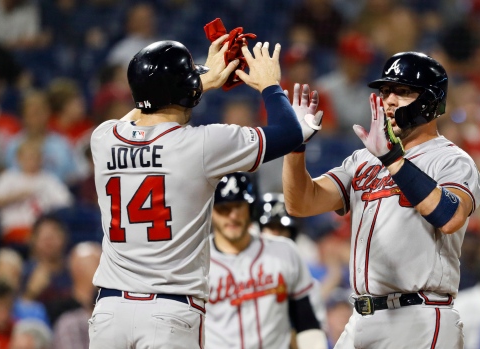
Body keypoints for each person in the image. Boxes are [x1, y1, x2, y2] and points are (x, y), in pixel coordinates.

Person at [89, 34, 323, 349]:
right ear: (184, 92)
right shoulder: (202, 144)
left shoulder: (103, 138)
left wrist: (198, 83)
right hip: (169, 312)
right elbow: (289, 133)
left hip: (109, 312)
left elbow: (138, 115)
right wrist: (270, 85)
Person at [283, 51, 480, 348]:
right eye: (385, 91)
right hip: (362, 317)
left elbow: (450, 217)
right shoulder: (364, 158)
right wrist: (295, 146)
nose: (388, 100)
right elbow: (301, 202)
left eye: (401, 92)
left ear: (429, 101)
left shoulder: (452, 160)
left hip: (419, 317)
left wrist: (392, 158)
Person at [205, 173, 327, 349]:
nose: (232, 216)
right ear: (211, 211)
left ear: (251, 207)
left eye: (239, 206)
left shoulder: (283, 251)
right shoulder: (196, 262)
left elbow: (306, 322)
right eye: (224, 208)